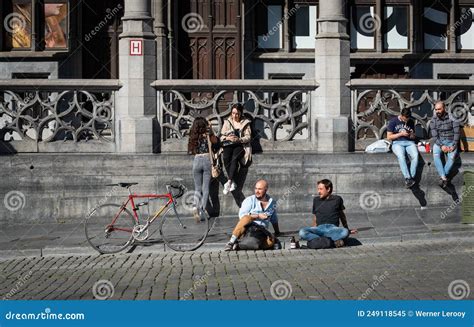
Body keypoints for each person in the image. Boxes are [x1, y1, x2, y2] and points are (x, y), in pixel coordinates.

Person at [224, 179, 280, 251]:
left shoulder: (272, 203)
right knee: (246, 218)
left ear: (266, 190)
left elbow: (274, 219)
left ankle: (239, 246)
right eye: (256, 188)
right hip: (249, 228)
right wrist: (258, 216)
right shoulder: (249, 200)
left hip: (262, 231)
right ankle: (231, 242)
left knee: (272, 241)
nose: (257, 191)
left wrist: (277, 232)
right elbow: (242, 217)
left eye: (259, 189)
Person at [299, 179, 356, 248]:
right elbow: (315, 217)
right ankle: (332, 241)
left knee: (345, 232)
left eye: (321, 189)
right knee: (302, 232)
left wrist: (347, 228)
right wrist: (313, 229)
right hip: (319, 229)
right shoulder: (316, 200)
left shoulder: (337, 199)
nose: (318, 191)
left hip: (332, 229)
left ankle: (321, 240)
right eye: (318, 189)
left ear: (328, 189)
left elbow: (342, 215)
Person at [188, 117, 218, 222]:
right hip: (206, 159)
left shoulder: (193, 135)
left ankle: (195, 206)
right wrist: (211, 129)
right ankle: (201, 211)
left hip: (196, 160)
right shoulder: (207, 134)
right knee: (205, 189)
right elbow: (216, 141)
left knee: (197, 188)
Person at [220, 103, 252, 195]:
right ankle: (232, 181)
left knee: (234, 158)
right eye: (233, 113)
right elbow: (221, 136)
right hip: (229, 144)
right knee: (226, 157)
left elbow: (248, 137)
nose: (235, 115)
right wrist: (227, 138)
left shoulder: (245, 122)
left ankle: (229, 181)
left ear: (241, 113)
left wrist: (239, 139)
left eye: (237, 113)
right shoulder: (227, 122)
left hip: (240, 145)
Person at [430, 101, 460, 188]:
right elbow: (435, 136)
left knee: (452, 157)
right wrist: (441, 146)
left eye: (439, 109)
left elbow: (457, 133)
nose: (437, 111)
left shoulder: (453, 117)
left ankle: (443, 177)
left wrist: (453, 145)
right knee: (436, 155)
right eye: (436, 109)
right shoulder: (433, 120)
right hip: (440, 142)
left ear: (444, 108)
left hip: (451, 141)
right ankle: (444, 177)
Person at [387, 108, 418, 188]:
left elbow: (414, 136)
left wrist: (411, 135)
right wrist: (400, 134)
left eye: (407, 119)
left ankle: (410, 178)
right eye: (404, 119)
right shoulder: (393, 121)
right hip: (397, 143)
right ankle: (408, 178)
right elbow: (389, 137)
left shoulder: (411, 121)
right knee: (401, 156)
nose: (406, 121)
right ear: (401, 115)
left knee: (415, 156)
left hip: (409, 142)